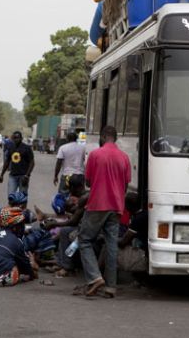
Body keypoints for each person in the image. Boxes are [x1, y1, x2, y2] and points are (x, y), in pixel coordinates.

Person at [75, 125, 131, 298]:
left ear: (103, 137)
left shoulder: (95, 155)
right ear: (115, 138)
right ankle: (111, 287)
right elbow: (126, 185)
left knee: (84, 240)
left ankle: (95, 277)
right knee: (111, 245)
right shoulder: (124, 157)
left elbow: (88, 182)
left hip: (98, 204)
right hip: (117, 206)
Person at [0, 207, 37, 286]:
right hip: (2, 280)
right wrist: (32, 274)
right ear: (15, 227)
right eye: (21, 225)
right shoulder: (16, 241)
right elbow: (25, 266)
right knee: (17, 262)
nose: (22, 227)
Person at [0, 131, 35, 196]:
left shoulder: (27, 148)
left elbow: (32, 162)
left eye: (17, 138)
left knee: (22, 198)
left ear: (21, 138)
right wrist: (2, 175)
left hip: (23, 176)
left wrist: (27, 176)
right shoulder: (11, 148)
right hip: (13, 176)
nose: (16, 139)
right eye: (14, 138)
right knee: (11, 196)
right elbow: (7, 162)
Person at [54, 132, 86, 196]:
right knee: (79, 197)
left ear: (67, 139)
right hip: (79, 176)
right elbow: (86, 161)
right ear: (76, 139)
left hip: (67, 176)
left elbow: (59, 163)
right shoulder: (83, 148)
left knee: (62, 196)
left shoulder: (63, 148)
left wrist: (55, 176)